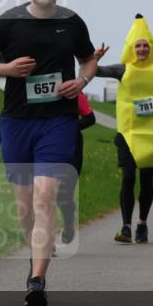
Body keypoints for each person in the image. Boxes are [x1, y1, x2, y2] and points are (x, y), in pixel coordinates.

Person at [0, 0, 97, 306]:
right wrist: (6, 68)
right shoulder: (8, 22)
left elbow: (89, 58)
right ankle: (39, 248)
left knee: (44, 196)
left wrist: (81, 81)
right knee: (24, 205)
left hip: (58, 120)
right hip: (17, 120)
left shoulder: (72, 23)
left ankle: (37, 277)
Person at [94, 14, 153, 244]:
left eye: (146, 45)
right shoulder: (122, 69)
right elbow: (96, 72)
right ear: (131, 47)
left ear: (152, 47)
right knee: (128, 178)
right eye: (138, 45)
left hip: (152, 134)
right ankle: (126, 226)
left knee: (146, 181)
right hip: (127, 133)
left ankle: (142, 224)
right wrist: (93, 59)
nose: (142, 49)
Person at [57, 92, 96, 246]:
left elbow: (90, 118)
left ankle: (68, 223)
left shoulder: (72, 91)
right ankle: (46, 241)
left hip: (71, 146)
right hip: (43, 146)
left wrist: (66, 128)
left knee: (63, 194)